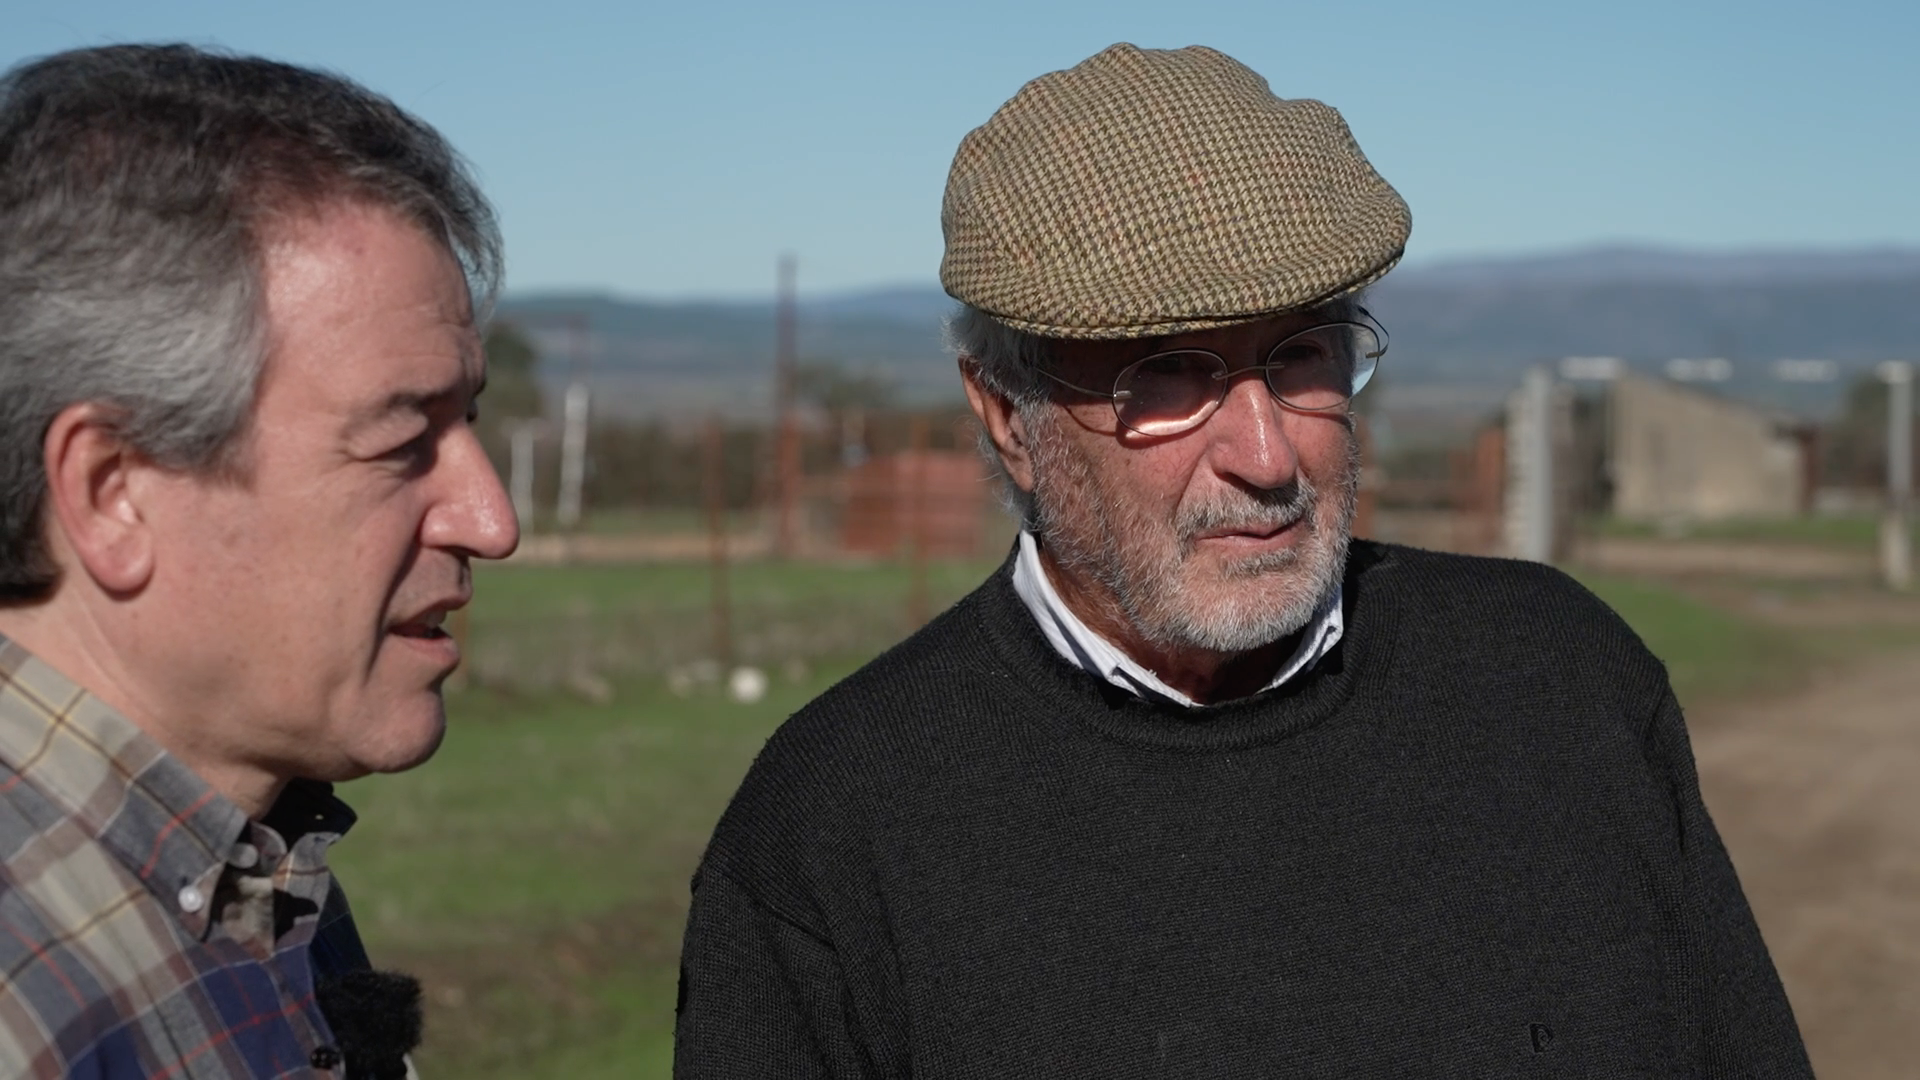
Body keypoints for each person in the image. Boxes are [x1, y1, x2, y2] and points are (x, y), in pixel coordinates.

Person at [674, 43, 1811, 1077]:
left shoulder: (1563, 684)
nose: (1267, 455)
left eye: (1304, 355)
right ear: (1006, 412)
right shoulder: (837, 824)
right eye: (1165, 376)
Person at [0, 44, 517, 1078]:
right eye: (401, 440)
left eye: (469, 425)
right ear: (114, 490)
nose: (490, 520)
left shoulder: (249, 875)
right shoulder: (31, 1006)